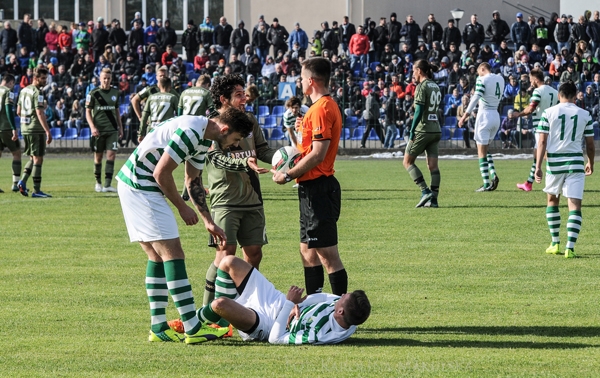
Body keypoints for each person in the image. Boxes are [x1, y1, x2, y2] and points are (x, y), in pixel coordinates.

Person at [115, 108, 252, 343]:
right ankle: (192, 327)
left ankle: (158, 327)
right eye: (236, 139)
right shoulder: (191, 130)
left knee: (157, 257)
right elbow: (161, 173)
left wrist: (208, 221)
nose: (234, 145)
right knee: (173, 253)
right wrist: (181, 207)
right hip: (142, 186)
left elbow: (192, 181)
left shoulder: (203, 137)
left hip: (134, 183)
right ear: (225, 129)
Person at [201, 74, 277, 306]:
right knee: (225, 255)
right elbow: (216, 159)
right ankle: (207, 310)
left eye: (244, 94)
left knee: (254, 253)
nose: (244, 98)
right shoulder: (211, 125)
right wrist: (245, 163)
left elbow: (262, 150)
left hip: (252, 198)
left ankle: (241, 305)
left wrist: (286, 157)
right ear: (224, 99)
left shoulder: (250, 120)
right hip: (225, 199)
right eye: (238, 95)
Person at [272, 57, 346, 296]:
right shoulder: (315, 109)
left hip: (319, 188)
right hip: (310, 188)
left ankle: (338, 312)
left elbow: (318, 154)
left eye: (302, 78)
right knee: (307, 251)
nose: (299, 82)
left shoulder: (322, 108)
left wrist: (287, 174)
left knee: (327, 255)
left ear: (311, 81)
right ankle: (316, 306)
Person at [193, 255, 370, 344]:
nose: (342, 295)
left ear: (340, 312)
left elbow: (275, 339)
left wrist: (288, 304)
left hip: (267, 324)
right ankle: (220, 326)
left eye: (345, 297)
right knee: (229, 262)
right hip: (276, 301)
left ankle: (190, 324)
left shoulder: (320, 334)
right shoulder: (348, 314)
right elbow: (321, 297)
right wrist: (297, 303)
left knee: (219, 304)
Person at [535, 81, 594, 258]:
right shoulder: (585, 114)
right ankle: (570, 247)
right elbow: (590, 145)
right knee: (574, 205)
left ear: (559, 95)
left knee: (552, 200)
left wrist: (538, 166)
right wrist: (591, 162)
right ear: (575, 96)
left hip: (555, 163)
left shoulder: (548, 112)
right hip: (576, 163)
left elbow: (542, 142)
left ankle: (555, 243)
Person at [458, 62, 505, 192]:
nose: (478, 75)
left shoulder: (481, 79)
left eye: (479, 72)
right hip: (496, 115)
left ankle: (485, 183)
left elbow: (475, 98)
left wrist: (464, 116)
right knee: (485, 149)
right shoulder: (500, 78)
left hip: (484, 115)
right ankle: (493, 175)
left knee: (480, 152)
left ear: (483, 69)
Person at [402, 60, 442, 208]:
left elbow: (418, 111)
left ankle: (425, 191)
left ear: (419, 70)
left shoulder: (421, 86)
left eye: (413, 70)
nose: (413, 74)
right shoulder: (435, 86)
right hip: (435, 129)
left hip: (423, 130)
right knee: (433, 166)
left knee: (407, 162)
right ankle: (434, 200)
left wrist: (412, 130)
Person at [513, 68, 558, 192]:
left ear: (535, 79)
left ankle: (556, 182)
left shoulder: (538, 91)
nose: (530, 82)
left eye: (531, 79)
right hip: (553, 126)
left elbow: (531, 109)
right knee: (537, 154)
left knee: (545, 155)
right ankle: (529, 182)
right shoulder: (554, 91)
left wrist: (518, 114)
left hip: (541, 126)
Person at [16, 67, 52, 198]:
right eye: (43, 78)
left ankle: (22, 181)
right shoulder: (38, 92)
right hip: (36, 129)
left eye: (46, 78)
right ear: (36, 78)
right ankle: (36, 191)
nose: (45, 80)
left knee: (32, 157)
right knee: (38, 158)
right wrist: (47, 131)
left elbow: (18, 111)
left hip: (25, 128)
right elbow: (39, 112)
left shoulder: (23, 90)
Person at [85, 68, 123, 193]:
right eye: (104, 78)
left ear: (111, 79)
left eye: (108, 78)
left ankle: (107, 184)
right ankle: (98, 182)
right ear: (100, 79)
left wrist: (120, 127)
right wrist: (92, 127)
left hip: (112, 130)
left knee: (111, 155)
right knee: (98, 157)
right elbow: (87, 112)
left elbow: (117, 111)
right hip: (98, 130)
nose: (106, 81)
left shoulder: (115, 92)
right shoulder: (93, 93)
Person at [0, 74, 21, 193]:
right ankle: (15, 184)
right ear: (11, 82)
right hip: (6, 128)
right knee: (17, 153)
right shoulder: (8, 92)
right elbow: (8, 109)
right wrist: (13, 127)